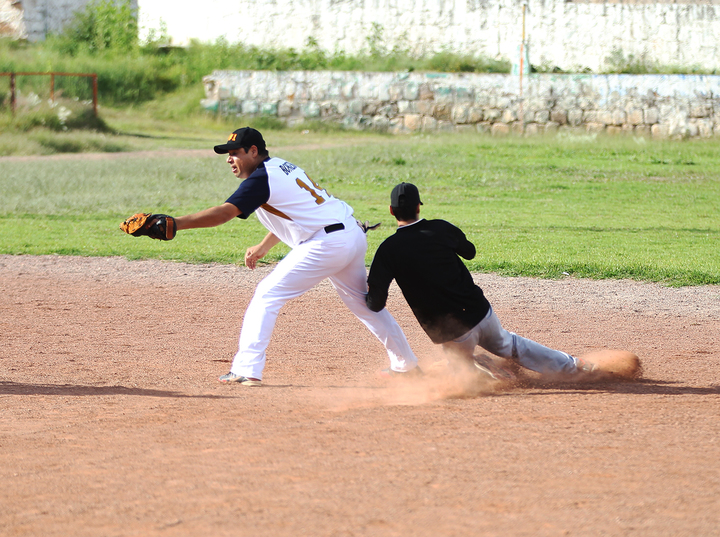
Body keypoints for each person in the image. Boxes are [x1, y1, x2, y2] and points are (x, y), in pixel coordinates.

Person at [167, 127, 418, 386]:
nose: (229, 159)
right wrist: (264, 246)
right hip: (349, 233)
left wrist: (175, 223)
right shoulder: (281, 167)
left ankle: (247, 368)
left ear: (253, 151)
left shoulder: (260, 179)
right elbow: (296, 211)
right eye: (227, 154)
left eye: (235, 153)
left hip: (328, 242)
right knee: (364, 304)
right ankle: (406, 364)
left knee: (267, 294)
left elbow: (222, 214)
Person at [365, 182, 595, 380]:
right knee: (511, 344)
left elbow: (376, 304)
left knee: (459, 374)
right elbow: (470, 252)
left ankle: (479, 368)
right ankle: (573, 366)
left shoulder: (387, 251)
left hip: (454, 333)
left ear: (391, 211)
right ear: (418, 207)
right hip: (481, 313)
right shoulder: (441, 228)